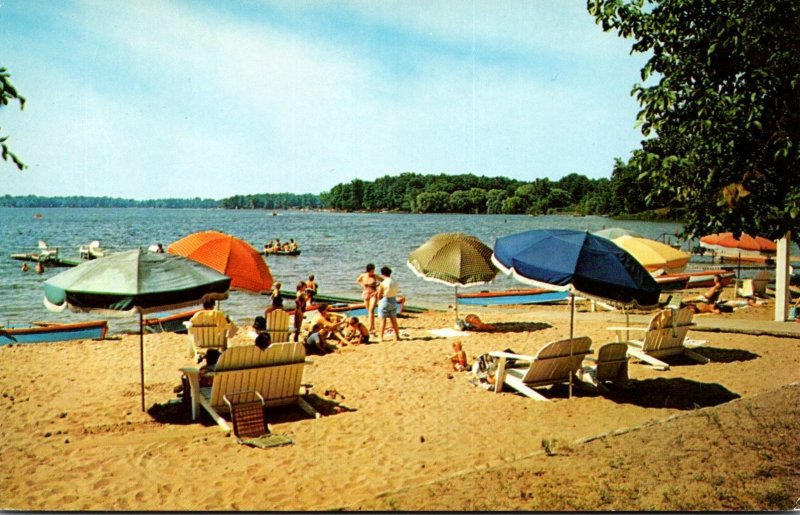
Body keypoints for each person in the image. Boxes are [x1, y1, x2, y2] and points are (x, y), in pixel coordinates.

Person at [376, 266, 401, 342]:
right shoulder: (395, 281)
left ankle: (381, 337)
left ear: (383, 274)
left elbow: (379, 294)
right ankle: (397, 336)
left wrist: (378, 301)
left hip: (385, 300)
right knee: (394, 320)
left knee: (383, 320)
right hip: (393, 300)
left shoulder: (383, 283)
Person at [356, 263, 381, 335]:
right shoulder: (363, 275)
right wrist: (362, 285)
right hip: (366, 293)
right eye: (372, 271)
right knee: (368, 310)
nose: (373, 272)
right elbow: (358, 280)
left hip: (373, 293)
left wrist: (378, 288)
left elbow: (383, 281)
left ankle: (371, 327)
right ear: (368, 271)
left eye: (374, 271)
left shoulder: (375, 276)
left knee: (371, 310)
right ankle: (371, 325)